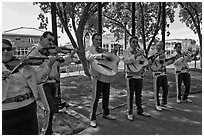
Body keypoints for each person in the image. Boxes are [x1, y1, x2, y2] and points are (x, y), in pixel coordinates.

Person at [2, 39, 56, 135]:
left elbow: (39, 79)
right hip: (5, 113)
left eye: (8, 49)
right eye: (2, 49)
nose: (5, 51)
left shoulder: (23, 64)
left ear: (12, 50)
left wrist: (49, 65)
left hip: (28, 109)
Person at [29, 31, 78, 134]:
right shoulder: (35, 51)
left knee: (52, 109)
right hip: (43, 83)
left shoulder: (51, 52)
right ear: (41, 39)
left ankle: (49, 131)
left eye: (53, 41)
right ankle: (45, 132)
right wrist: (49, 64)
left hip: (52, 83)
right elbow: (34, 71)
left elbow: (62, 62)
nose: (51, 43)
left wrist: (71, 54)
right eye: (49, 40)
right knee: (49, 109)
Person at [85, 33, 117, 128]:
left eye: (99, 40)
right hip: (96, 76)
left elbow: (108, 59)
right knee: (96, 97)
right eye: (96, 40)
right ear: (93, 40)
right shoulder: (89, 49)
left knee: (106, 95)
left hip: (105, 74)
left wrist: (112, 54)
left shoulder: (103, 50)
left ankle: (106, 113)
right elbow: (89, 57)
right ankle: (92, 118)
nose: (98, 41)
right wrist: (100, 55)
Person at [123, 36, 151, 121]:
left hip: (139, 76)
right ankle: (130, 112)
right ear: (130, 43)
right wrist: (136, 55)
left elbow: (144, 62)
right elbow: (127, 61)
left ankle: (140, 110)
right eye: (133, 42)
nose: (135, 44)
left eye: (136, 42)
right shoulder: (126, 51)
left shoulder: (140, 51)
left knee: (139, 94)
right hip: (130, 76)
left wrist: (143, 65)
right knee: (130, 95)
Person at [148, 41, 174, 111]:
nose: (159, 47)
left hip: (163, 73)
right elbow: (149, 61)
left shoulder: (163, 54)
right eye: (158, 45)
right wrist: (157, 55)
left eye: (161, 46)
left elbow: (163, 63)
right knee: (157, 90)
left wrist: (171, 61)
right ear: (156, 45)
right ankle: (157, 104)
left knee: (165, 89)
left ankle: (164, 103)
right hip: (156, 73)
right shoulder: (152, 52)